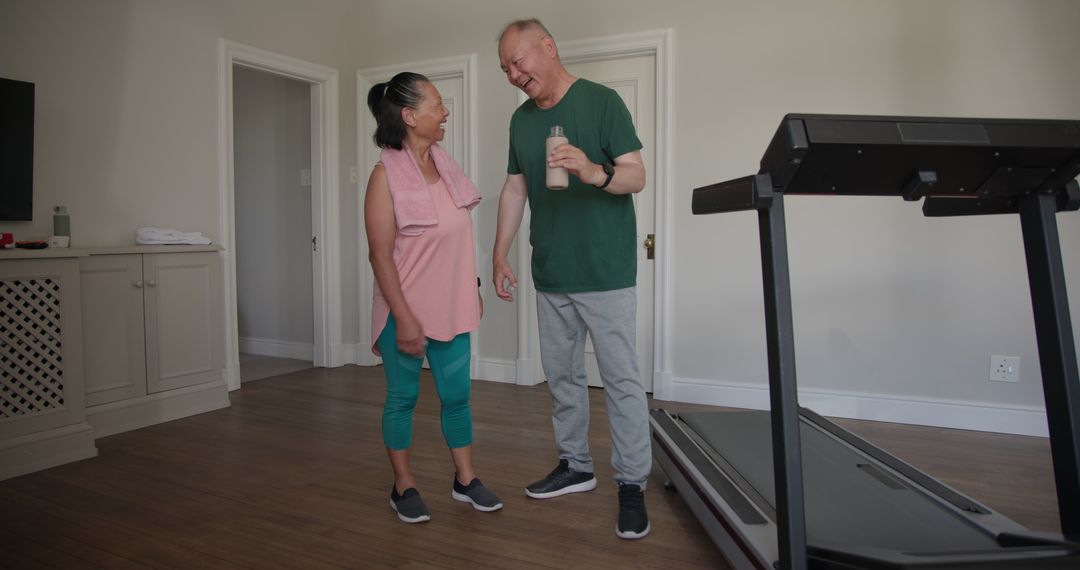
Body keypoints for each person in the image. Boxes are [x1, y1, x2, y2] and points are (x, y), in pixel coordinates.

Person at [492, 19, 652, 539]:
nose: (514, 74)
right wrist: (499, 252)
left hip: (605, 272)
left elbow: (636, 175)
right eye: (505, 69)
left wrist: (592, 170)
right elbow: (515, 190)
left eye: (519, 61)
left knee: (622, 382)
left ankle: (631, 483)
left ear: (548, 47)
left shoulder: (602, 102)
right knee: (562, 378)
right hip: (552, 271)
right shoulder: (520, 123)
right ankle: (576, 466)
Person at [364, 71, 502, 524]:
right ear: (409, 115)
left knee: (457, 396)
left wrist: (474, 288)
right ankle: (402, 486)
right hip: (404, 312)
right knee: (402, 399)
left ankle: (465, 480)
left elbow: (460, 239)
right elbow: (380, 257)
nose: (445, 112)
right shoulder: (384, 177)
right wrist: (403, 318)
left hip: (451, 304)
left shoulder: (445, 167)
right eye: (438, 104)